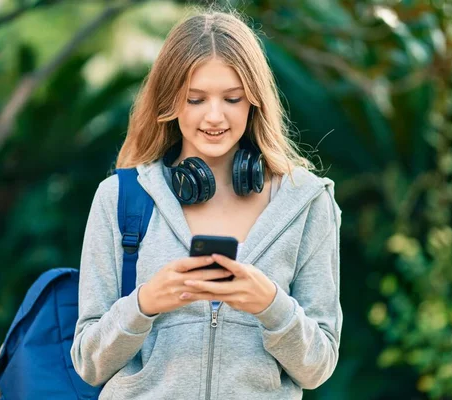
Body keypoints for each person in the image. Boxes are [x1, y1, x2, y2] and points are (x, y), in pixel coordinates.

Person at [70, 9, 342, 400]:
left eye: (232, 98)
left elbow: (317, 367)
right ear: (170, 102)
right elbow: (88, 362)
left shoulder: (306, 202)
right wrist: (145, 304)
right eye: (195, 99)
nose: (215, 116)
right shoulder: (119, 198)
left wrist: (270, 306)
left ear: (254, 101)